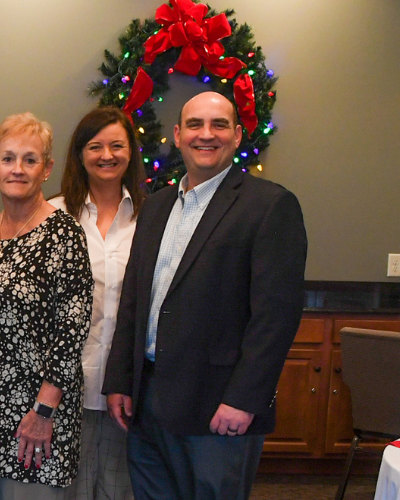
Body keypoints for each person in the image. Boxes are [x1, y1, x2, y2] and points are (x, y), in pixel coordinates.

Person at [103, 92, 307, 500]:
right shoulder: (157, 206)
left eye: (219, 125)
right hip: (148, 400)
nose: (206, 135)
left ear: (236, 136)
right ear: (177, 136)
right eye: (195, 125)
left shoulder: (269, 206)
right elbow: (134, 301)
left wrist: (244, 399)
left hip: (219, 407)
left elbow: (275, 317)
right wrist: (120, 381)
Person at [0, 112, 93, 500]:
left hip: (38, 420)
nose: (18, 169)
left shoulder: (64, 234)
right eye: (8, 158)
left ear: (46, 169)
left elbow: (71, 332)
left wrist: (43, 414)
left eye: (30, 159)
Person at [48, 107, 145, 500]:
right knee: (66, 493)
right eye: (96, 146)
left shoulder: (153, 217)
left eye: (117, 145)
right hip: (63, 388)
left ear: (131, 153)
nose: (107, 155)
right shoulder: (53, 216)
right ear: (79, 155)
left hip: (127, 388)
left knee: (121, 492)